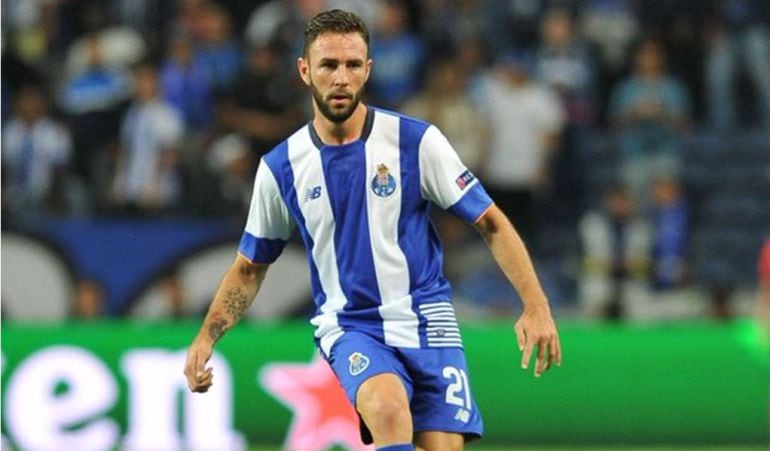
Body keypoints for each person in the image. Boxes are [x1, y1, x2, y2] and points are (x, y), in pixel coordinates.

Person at [183, 9, 561, 451]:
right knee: (386, 408)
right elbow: (249, 268)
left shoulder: (415, 142)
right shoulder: (282, 167)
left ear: (368, 69)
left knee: (441, 446)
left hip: (427, 318)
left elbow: (490, 223)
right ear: (305, 71)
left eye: (352, 65)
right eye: (328, 65)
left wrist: (536, 306)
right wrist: (206, 336)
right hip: (351, 325)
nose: (340, 78)